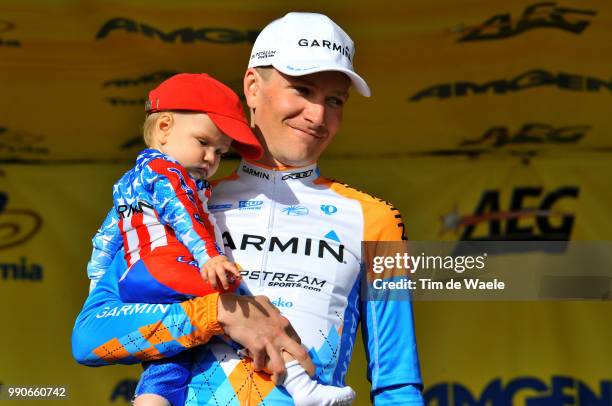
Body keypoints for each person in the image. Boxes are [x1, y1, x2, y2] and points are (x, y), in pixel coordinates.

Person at [72, 11, 423, 405]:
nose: (318, 114)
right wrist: (219, 314)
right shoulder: (179, 201)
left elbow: (396, 384)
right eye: (303, 90)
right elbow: (90, 337)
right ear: (253, 87)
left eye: (335, 100)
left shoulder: (374, 219)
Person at [82, 73, 356, 406]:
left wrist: (96, 279)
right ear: (164, 128)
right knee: (248, 302)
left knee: (168, 360)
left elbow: (107, 236)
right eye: (203, 143)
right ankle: (300, 384)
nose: (211, 159)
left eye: (221, 152)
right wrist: (213, 269)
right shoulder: (170, 175)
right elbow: (86, 339)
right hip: (167, 268)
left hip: (144, 278)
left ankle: (150, 399)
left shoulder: (131, 182)